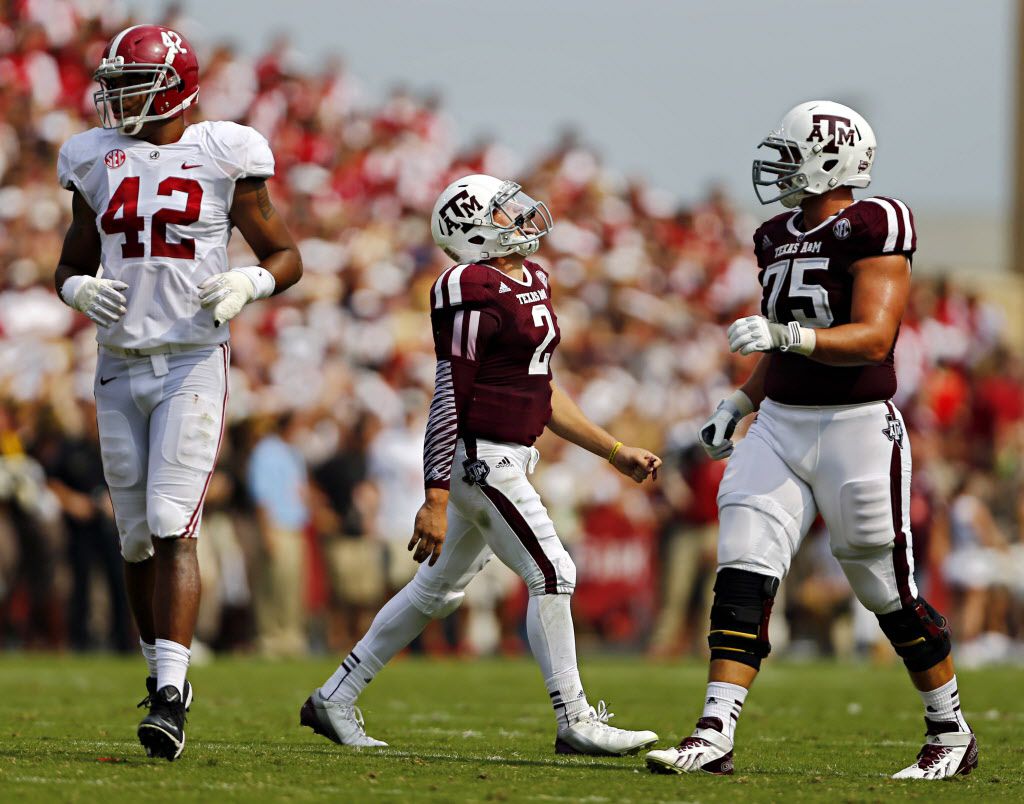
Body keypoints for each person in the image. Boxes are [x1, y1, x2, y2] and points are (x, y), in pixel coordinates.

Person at [646, 101, 978, 779]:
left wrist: (784, 337)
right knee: (743, 564)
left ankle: (950, 729)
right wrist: (740, 400)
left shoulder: (874, 223)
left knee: (885, 588)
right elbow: (784, 349)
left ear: (832, 158)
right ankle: (714, 731)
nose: (778, 167)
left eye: (791, 153)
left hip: (858, 428)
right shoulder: (773, 235)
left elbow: (873, 338)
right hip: (780, 425)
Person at [301, 174, 661, 755]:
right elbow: (449, 392)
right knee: (554, 573)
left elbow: (541, 391)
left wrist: (612, 450)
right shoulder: (466, 284)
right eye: (501, 214)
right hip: (480, 461)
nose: (518, 220)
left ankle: (334, 698)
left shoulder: (533, 279)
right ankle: (574, 719)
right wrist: (436, 495)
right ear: (470, 230)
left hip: (511, 456)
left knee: (436, 593)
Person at [53, 24, 302, 761]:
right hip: (118, 362)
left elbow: (286, 255)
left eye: (129, 80)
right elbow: (68, 259)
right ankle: (161, 669)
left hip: (193, 359)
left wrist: (252, 280)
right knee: (133, 536)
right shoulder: (94, 157)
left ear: (174, 86)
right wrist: (75, 288)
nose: (114, 93)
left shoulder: (226, 150)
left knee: (170, 519)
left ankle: (170, 693)